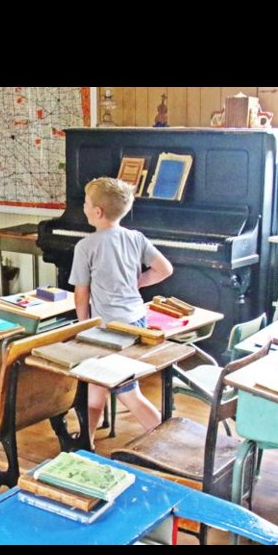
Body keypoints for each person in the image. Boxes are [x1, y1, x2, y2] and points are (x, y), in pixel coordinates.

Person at [68, 177, 174, 448]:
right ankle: (86, 441)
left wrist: (83, 328)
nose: (83, 208)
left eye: (86, 204)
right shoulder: (135, 238)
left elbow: (82, 294)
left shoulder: (86, 246)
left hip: (108, 328)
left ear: (97, 212)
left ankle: (167, 440)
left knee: (128, 392)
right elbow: (164, 269)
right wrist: (137, 282)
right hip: (136, 320)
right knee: (96, 382)